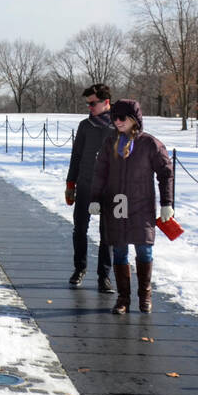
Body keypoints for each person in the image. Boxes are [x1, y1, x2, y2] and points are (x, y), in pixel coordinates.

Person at [88, 99, 174, 314]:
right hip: (117, 203)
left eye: (122, 117)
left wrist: (167, 203)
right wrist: (95, 198)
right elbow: (100, 173)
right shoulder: (110, 143)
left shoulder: (150, 144)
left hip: (141, 204)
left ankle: (144, 294)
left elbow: (165, 173)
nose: (117, 121)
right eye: (114, 117)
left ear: (134, 119)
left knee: (144, 249)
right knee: (119, 250)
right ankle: (123, 298)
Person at [65, 83, 115, 293]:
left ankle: (104, 276)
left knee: (107, 233)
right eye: (87, 104)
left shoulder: (118, 125)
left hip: (109, 188)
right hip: (85, 184)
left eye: (93, 103)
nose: (89, 108)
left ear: (106, 102)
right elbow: (76, 156)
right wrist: (70, 184)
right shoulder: (85, 126)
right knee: (80, 229)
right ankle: (80, 268)